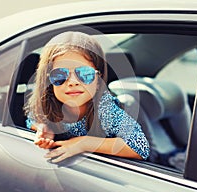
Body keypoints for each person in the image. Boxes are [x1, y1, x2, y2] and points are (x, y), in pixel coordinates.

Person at [24, 31, 150, 163]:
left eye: (84, 73)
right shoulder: (47, 104)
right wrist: (43, 128)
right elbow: (33, 118)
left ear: (98, 80)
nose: (73, 82)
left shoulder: (105, 109)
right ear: (48, 81)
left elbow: (139, 147)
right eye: (60, 75)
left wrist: (83, 143)